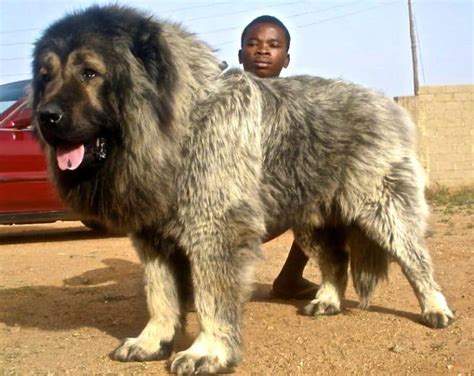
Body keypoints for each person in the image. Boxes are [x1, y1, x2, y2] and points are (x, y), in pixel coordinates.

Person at [238, 16, 317, 299]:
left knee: (319, 195)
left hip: (273, 203)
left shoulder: (300, 104)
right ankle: (192, 284)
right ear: (240, 54)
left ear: (286, 59)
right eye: (253, 44)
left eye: (273, 45)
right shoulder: (221, 97)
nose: (262, 50)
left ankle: (290, 278)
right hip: (225, 203)